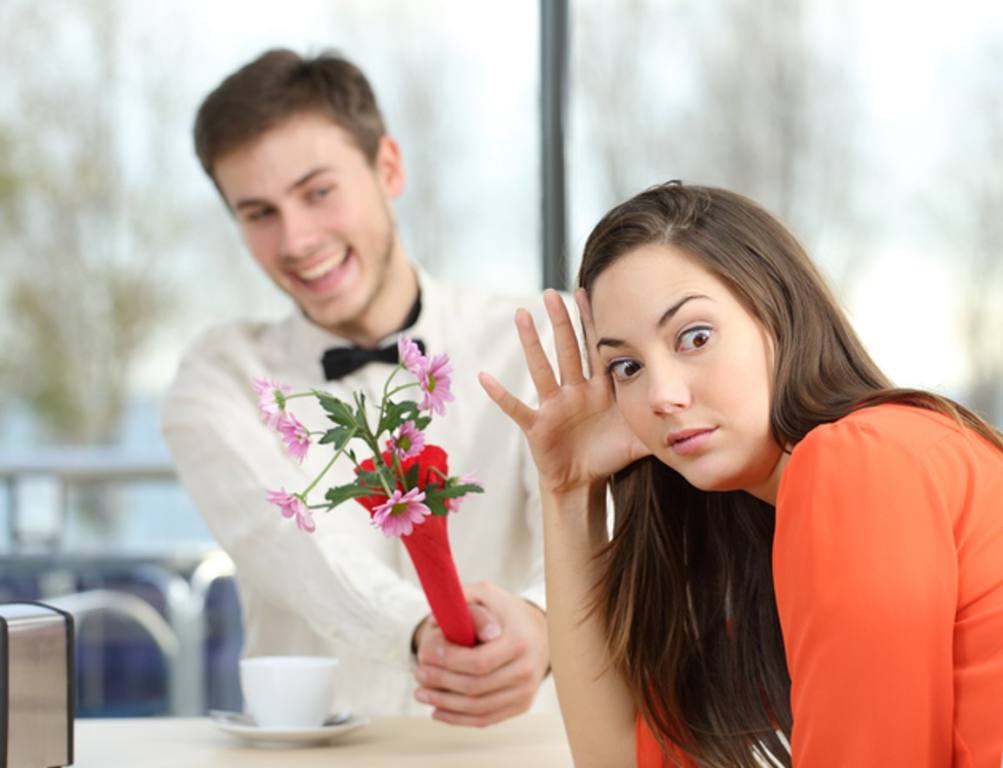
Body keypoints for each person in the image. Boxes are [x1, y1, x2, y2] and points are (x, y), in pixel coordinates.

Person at [480, 181, 1003, 766]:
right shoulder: (768, 525)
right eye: (626, 366)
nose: (663, 395)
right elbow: (616, 759)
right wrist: (569, 490)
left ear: (776, 312)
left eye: (694, 337)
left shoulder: (861, 461)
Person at [161, 48, 556, 724]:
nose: (297, 239)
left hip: (509, 753)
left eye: (318, 192)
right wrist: (423, 633)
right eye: (258, 213)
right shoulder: (217, 380)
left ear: (388, 168)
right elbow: (291, 546)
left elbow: (592, 542)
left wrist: (544, 627)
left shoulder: (530, 340)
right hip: (313, 754)